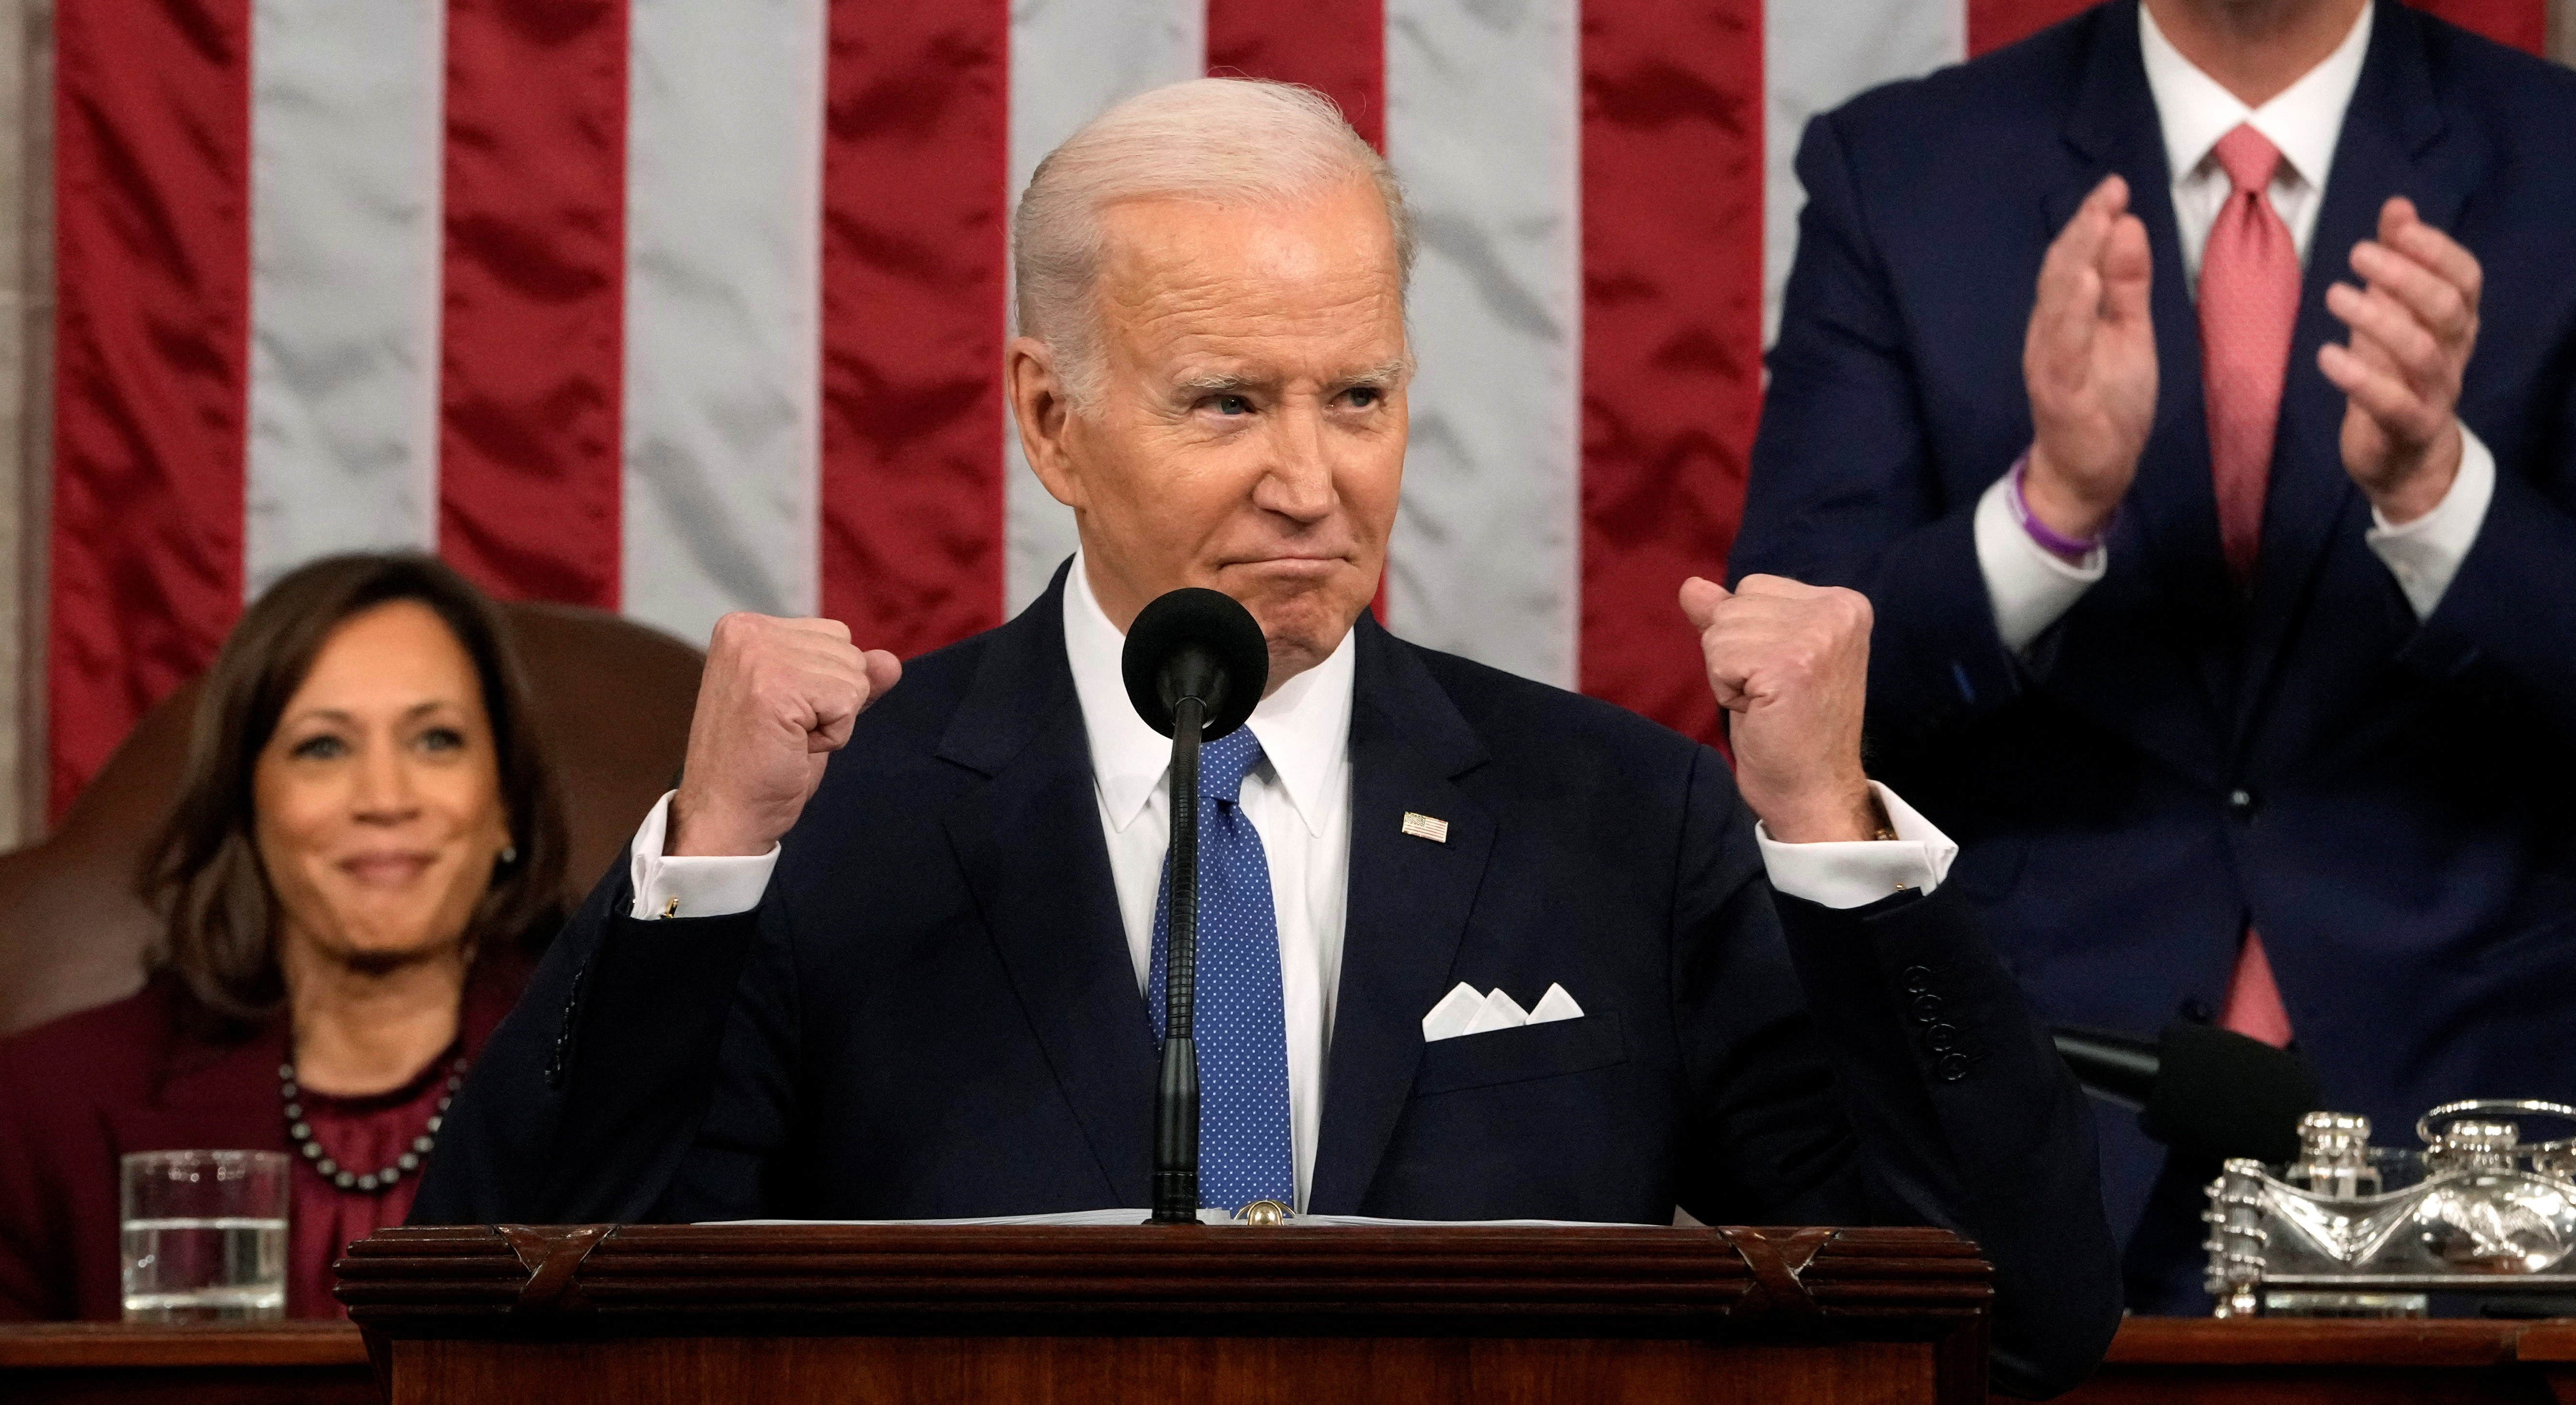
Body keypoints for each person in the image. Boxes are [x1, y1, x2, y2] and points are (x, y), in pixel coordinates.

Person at [417, 78, 2119, 1395]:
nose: (1311, 484)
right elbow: (499, 1315)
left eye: (1357, 399)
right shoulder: (833, 822)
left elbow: (2018, 1318)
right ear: (1049, 419)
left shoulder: (1617, 817)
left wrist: (1830, 832)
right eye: (1227, 401)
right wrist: (706, 863)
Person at [1729, 0, 2576, 1310]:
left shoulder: (2560, 174)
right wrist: (2045, 511)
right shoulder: (1899, 178)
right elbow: (1785, 694)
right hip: (2042, 1135)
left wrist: (2434, 494)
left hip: (2483, 1144)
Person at [0, 554, 569, 1319]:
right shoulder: (56, 1099)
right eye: (323, 746)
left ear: (505, 800)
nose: (384, 798)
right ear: (248, 805)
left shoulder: (613, 1083)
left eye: (436, 740)